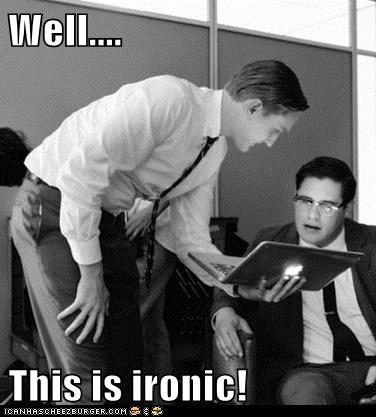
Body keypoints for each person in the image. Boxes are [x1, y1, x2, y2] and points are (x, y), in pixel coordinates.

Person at [10, 60, 308, 405]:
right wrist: (91, 274)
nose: (270, 142)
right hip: (54, 203)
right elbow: (80, 175)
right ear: (254, 108)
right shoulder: (170, 100)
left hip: (106, 220)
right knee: (87, 370)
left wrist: (241, 284)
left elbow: (191, 239)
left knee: (127, 364)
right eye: (276, 131)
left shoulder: (214, 151)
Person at [211, 156, 376, 405]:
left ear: (347, 208)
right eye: (305, 201)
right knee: (304, 394)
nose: (312, 215)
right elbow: (230, 283)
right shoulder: (270, 242)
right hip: (310, 373)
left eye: (327, 206)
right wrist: (223, 313)